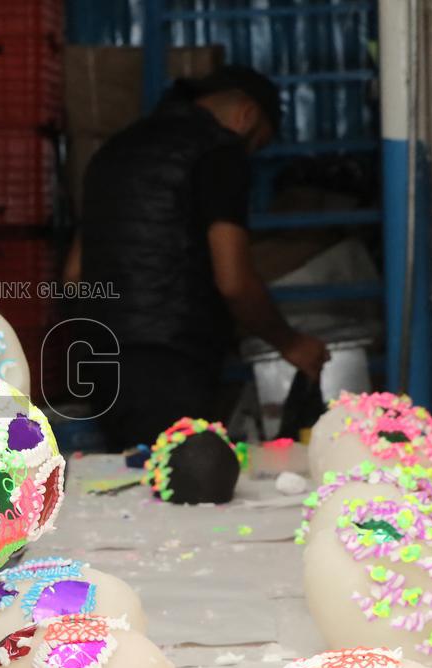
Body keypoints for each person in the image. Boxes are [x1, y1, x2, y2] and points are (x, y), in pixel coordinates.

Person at [67, 65, 329, 450]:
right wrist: (290, 343)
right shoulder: (219, 151)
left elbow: (73, 276)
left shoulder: (113, 152)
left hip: (96, 355)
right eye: (257, 145)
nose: (249, 153)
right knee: (177, 490)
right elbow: (234, 280)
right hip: (170, 359)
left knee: (130, 482)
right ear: (247, 115)